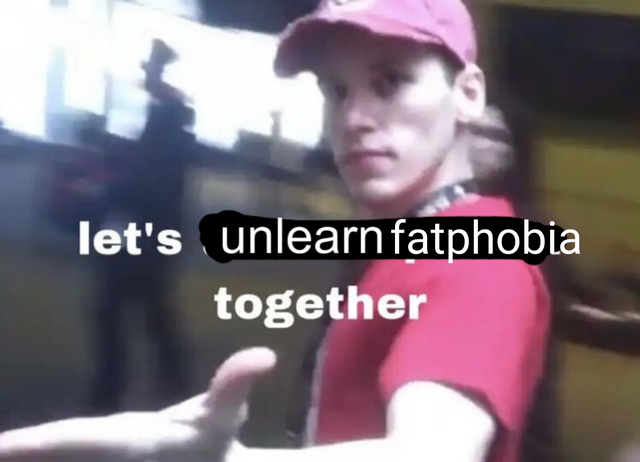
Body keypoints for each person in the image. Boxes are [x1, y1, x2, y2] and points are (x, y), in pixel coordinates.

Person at [0, 1, 552, 462]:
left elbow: (431, 453)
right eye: (336, 90)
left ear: (468, 94)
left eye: (391, 82)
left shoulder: (477, 258)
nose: (354, 118)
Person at [88, 38, 195, 413]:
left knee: (119, 309)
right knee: (148, 311)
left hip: (144, 232)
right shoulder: (168, 120)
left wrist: (109, 191)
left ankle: (112, 389)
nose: (146, 77)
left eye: (151, 68)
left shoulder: (167, 122)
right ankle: (172, 382)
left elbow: (150, 184)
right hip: (148, 231)